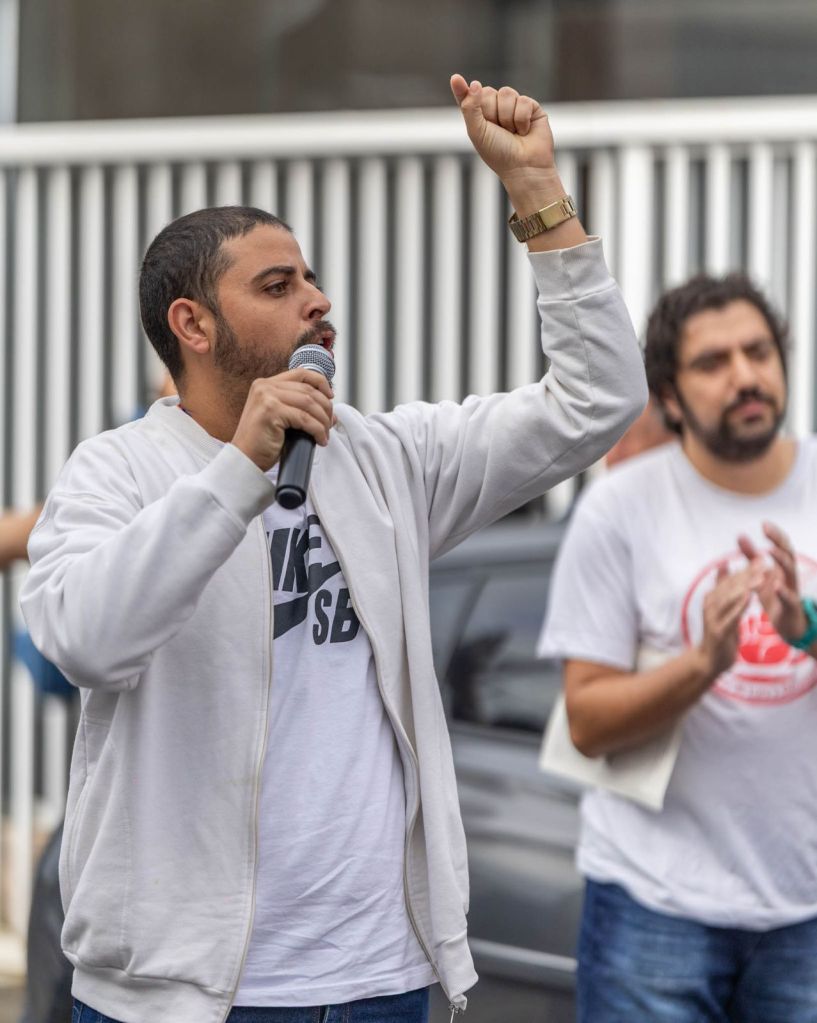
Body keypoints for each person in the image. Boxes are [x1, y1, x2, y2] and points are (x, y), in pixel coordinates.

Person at [19, 73, 645, 1023]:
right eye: (278, 286)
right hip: (185, 995)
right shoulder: (115, 472)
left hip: (375, 978)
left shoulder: (384, 458)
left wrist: (535, 193)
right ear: (192, 324)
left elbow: (596, 400)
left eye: (310, 279)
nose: (316, 300)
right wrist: (240, 471)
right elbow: (86, 640)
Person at [540, 271, 817, 1023]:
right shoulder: (620, 509)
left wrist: (805, 631)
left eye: (758, 352)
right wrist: (702, 665)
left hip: (805, 909)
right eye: (712, 362)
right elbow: (588, 722)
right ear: (667, 393)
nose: (744, 376)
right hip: (653, 904)